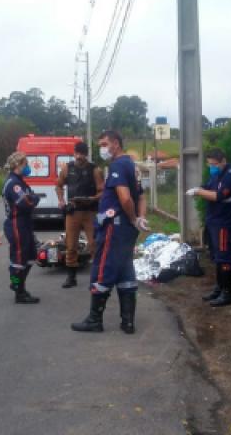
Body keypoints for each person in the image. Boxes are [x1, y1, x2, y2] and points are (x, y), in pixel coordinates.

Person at [71, 130, 149, 334]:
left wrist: (133, 218)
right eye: (100, 145)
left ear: (116, 143)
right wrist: (140, 219)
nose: (102, 149)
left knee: (103, 269)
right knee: (124, 270)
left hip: (115, 227)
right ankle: (128, 322)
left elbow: (125, 198)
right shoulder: (132, 166)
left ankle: (94, 320)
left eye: (104, 144)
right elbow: (141, 196)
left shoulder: (118, 165)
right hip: (125, 229)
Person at [186, 148, 231, 307]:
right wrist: (201, 190)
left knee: (224, 257)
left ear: (223, 161)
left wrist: (198, 191)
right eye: (209, 164)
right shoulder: (216, 174)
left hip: (225, 222)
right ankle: (219, 289)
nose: (212, 167)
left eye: (214, 164)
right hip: (213, 221)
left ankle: (228, 293)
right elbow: (207, 188)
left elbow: (218, 196)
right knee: (217, 257)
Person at [55, 142, 104, 288]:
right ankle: (71, 277)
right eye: (77, 153)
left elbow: (102, 191)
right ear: (74, 153)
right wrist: (61, 200)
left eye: (82, 154)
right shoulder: (67, 168)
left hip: (90, 212)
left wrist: (92, 199)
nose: (79, 156)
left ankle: (97, 278)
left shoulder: (95, 170)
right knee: (71, 245)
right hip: (73, 211)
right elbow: (58, 185)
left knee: (94, 244)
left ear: (86, 154)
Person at [2, 152, 41, 304]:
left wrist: (32, 197)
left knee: (31, 256)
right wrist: (34, 198)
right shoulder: (13, 184)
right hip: (16, 224)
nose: (28, 167)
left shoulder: (20, 181)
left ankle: (19, 286)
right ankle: (17, 287)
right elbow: (28, 202)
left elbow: (30, 197)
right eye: (26, 164)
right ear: (18, 165)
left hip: (25, 223)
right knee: (18, 259)